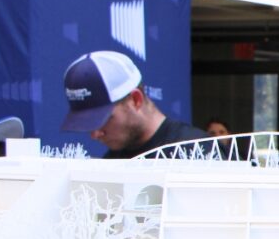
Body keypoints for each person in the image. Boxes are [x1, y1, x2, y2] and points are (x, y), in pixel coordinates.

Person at [62, 50, 208, 158]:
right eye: (88, 124)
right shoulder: (112, 164)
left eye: (104, 119)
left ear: (135, 100)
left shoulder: (196, 151)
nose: (95, 134)